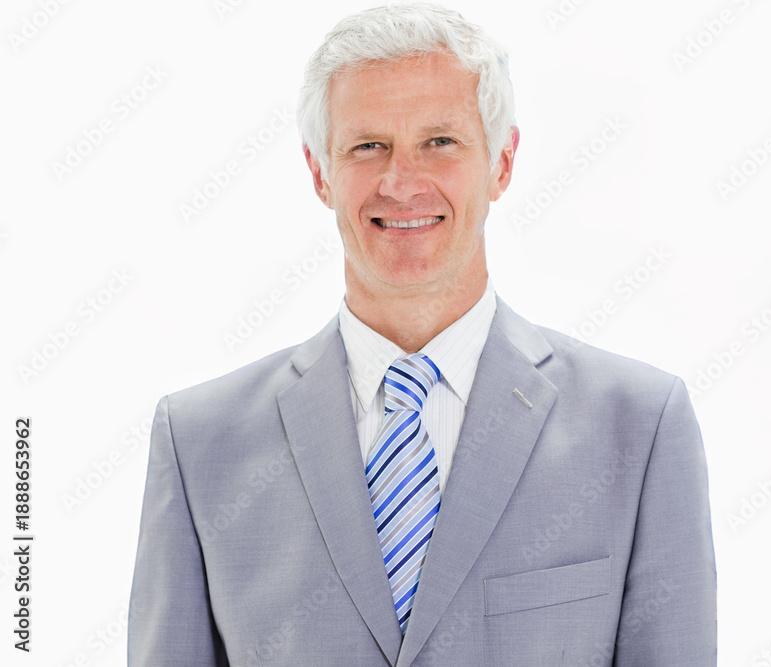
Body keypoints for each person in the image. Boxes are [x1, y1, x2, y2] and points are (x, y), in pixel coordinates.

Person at [127, 3, 716, 665]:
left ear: (502, 162)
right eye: (367, 145)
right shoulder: (199, 443)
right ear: (320, 172)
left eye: (439, 141)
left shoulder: (640, 428)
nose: (401, 182)